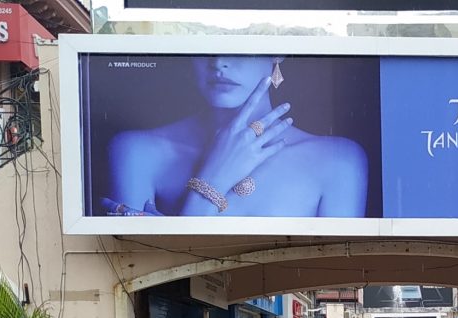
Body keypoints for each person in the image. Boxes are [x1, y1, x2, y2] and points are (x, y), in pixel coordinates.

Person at [101, 55, 369, 218]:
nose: (219, 63)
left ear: (278, 53)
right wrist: (213, 179)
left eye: (239, 44)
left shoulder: (338, 161)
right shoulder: (137, 151)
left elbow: (337, 275)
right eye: (204, 46)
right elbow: (136, 275)